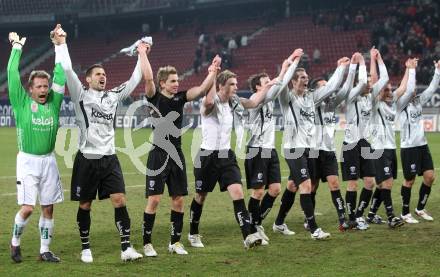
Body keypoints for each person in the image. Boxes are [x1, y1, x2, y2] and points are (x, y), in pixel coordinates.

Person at [52, 24, 147, 262]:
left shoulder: (113, 97)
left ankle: (126, 248)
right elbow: (66, 68)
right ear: (88, 79)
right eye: (98, 74)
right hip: (87, 159)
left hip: (110, 158)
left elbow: (135, 80)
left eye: (104, 74)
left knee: (120, 200)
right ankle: (86, 248)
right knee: (85, 204)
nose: (103, 77)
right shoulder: (80, 94)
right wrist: (61, 44)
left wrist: (141, 53)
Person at [142, 56, 221, 257]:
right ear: (163, 83)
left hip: (176, 154)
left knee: (178, 200)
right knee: (155, 200)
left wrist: (213, 70)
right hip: (158, 155)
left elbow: (202, 89)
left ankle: (175, 242)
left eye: (178, 81)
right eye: (173, 81)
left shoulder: (181, 98)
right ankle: (147, 244)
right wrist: (143, 53)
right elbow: (148, 79)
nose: (177, 84)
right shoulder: (154, 97)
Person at [189, 70, 266, 249]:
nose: (236, 87)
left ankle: (247, 236)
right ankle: (193, 233)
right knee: (200, 196)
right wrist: (213, 73)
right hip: (207, 156)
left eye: (236, 84)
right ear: (221, 86)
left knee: (238, 193)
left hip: (226, 156)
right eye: (232, 84)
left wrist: (268, 86)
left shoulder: (233, 102)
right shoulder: (209, 102)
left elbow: (253, 102)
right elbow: (208, 101)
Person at [273, 55, 347, 239]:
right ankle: (314, 229)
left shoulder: (311, 99)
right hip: (293, 148)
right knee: (306, 185)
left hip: (309, 149)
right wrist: (293, 63)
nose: (306, 80)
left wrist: (341, 68)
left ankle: (279, 222)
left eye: (307, 77)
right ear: (294, 81)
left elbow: (330, 87)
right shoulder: (286, 98)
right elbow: (282, 83)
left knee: (292, 185)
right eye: (302, 78)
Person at [7, 31, 66, 263]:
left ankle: (44, 250)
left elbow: (61, 75)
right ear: (30, 89)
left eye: (46, 86)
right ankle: (15, 243)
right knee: (29, 207)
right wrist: (17, 47)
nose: (43, 90)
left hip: (49, 161)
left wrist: (59, 46)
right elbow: (12, 74)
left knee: (48, 208)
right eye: (39, 86)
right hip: (28, 161)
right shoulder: (21, 103)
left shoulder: (54, 102)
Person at [244, 49, 303, 244]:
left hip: (270, 150)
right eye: (265, 81)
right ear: (257, 87)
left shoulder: (268, 96)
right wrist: (290, 63)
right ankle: (253, 227)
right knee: (258, 192)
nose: (270, 81)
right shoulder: (258, 99)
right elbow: (280, 83)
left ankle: (256, 222)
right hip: (257, 150)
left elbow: (280, 81)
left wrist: (288, 63)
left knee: (276, 189)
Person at [308, 52, 362, 231]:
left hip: (329, 150)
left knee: (334, 183)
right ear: (316, 91)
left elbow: (345, 90)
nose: (328, 91)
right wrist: (341, 67)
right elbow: (332, 87)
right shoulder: (313, 101)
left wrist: (352, 68)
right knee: (312, 186)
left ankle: (342, 219)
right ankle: (309, 218)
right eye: (322, 87)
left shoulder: (330, 105)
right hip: (313, 150)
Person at [340, 47, 388, 230]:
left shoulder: (371, 99)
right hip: (350, 144)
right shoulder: (351, 97)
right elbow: (360, 83)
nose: (369, 84)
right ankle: (350, 218)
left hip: (365, 143)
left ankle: (359, 215)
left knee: (370, 182)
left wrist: (379, 58)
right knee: (352, 183)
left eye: (370, 82)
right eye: (367, 82)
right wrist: (361, 62)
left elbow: (384, 79)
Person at [368, 58, 419, 228]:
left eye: (391, 89)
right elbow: (375, 80)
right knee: (387, 183)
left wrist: (409, 69)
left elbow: (406, 88)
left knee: (383, 184)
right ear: (379, 92)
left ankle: (371, 214)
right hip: (378, 149)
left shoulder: (392, 104)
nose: (390, 92)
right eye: (386, 90)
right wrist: (376, 60)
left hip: (390, 148)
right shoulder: (375, 104)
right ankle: (391, 217)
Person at [399, 60, 440, 223]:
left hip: (422, 145)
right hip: (409, 147)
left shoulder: (418, 102)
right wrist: (412, 70)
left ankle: (420, 208)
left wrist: (437, 71)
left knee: (430, 177)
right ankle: (404, 212)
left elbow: (431, 89)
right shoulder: (400, 104)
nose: (414, 90)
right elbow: (408, 89)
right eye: (412, 87)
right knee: (409, 180)